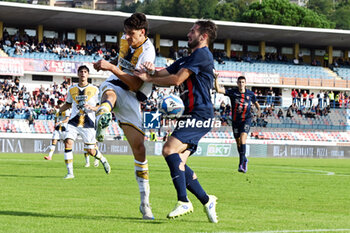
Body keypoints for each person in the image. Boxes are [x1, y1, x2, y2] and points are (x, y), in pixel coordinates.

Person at [135, 20, 219, 223]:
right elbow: (165, 72)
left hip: (199, 114)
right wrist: (150, 71)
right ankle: (207, 200)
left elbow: (176, 80)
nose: (188, 34)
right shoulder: (188, 58)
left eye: (193, 31)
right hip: (190, 114)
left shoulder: (202, 55)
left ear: (204, 36)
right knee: (179, 163)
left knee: (168, 150)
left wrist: (149, 79)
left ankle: (184, 201)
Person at [93, 12, 155, 220]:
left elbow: (136, 84)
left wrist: (110, 67)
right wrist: (109, 65)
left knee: (139, 149)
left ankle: (145, 203)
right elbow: (120, 61)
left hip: (132, 94)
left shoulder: (148, 53)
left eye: (131, 33)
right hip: (114, 84)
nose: (127, 37)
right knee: (109, 92)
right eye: (125, 32)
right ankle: (104, 111)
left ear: (142, 33)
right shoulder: (124, 39)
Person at [58, 65, 111, 179]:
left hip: (88, 123)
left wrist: (91, 108)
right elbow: (68, 104)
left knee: (91, 151)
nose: (83, 73)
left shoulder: (95, 89)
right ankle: (70, 173)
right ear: (78, 74)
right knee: (68, 142)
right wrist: (58, 110)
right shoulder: (72, 89)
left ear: (88, 74)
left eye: (85, 72)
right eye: (81, 71)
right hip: (73, 121)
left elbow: (100, 107)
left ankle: (103, 159)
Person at [215, 76, 260, 173]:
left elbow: (256, 103)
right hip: (236, 121)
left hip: (246, 119)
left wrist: (259, 110)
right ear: (237, 83)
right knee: (238, 142)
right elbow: (218, 90)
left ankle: (241, 163)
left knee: (243, 139)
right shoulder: (233, 92)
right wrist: (216, 79)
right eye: (239, 82)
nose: (241, 84)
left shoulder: (250, 94)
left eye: (243, 82)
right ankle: (244, 159)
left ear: (245, 83)